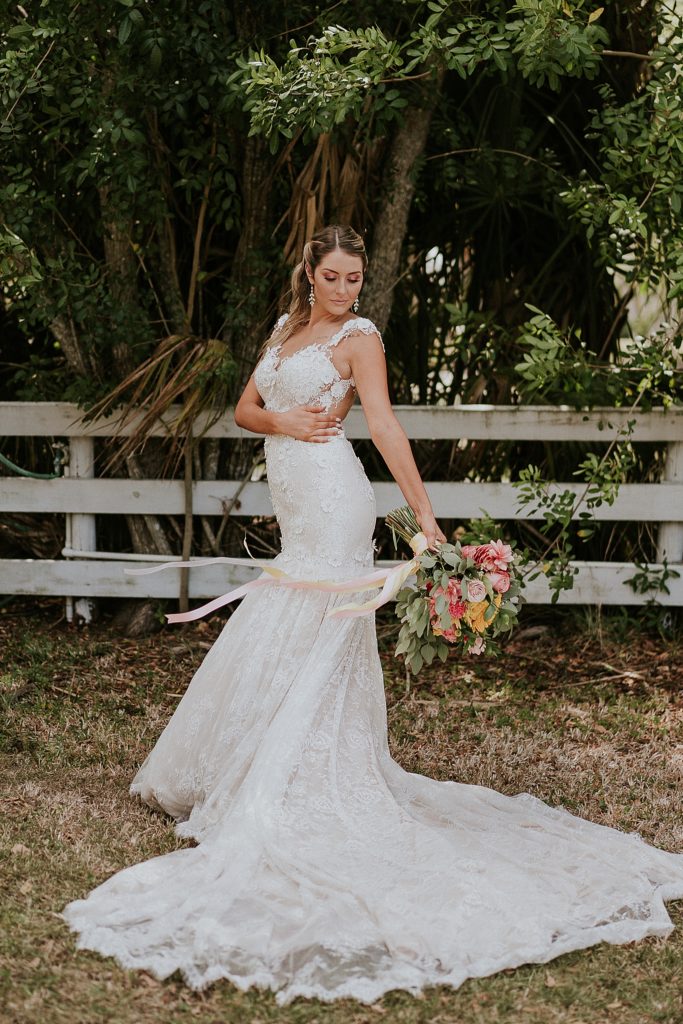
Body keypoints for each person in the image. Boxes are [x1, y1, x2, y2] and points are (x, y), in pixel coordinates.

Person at [63, 225, 683, 1006]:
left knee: (322, 620)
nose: (346, 289)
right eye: (334, 275)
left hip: (332, 498)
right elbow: (244, 411)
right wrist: (285, 422)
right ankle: (246, 762)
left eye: (356, 277)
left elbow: (383, 423)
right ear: (309, 274)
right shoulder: (285, 330)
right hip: (292, 495)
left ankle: (294, 779)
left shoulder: (361, 339)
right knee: (285, 610)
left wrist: (425, 518)